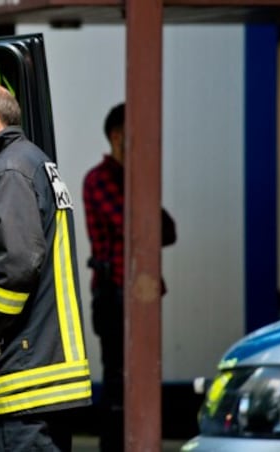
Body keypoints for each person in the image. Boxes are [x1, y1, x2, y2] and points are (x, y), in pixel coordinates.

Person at [0, 82, 92, 452]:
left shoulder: (9, 171)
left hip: (24, 373)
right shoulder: (22, 163)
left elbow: (17, 264)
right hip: (34, 370)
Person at [82, 102, 177, 452]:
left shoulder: (135, 179)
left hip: (136, 293)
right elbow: (134, 227)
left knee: (141, 375)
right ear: (117, 136)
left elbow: (167, 231)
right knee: (117, 382)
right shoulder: (99, 179)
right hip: (113, 293)